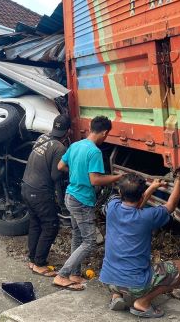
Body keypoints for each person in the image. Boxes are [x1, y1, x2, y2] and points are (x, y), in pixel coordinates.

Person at [99, 171, 180, 318]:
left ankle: (116, 296)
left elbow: (132, 206)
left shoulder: (112, 208)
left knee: (117, 261)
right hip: (135, 285)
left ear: (120, 192)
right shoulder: (148, 216)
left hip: (108, 279)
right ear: (141, 196)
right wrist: (179, 179)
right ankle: (143, 302)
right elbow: (170, 205)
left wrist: (152, 188)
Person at [52, 116, 121, 291]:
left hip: (70, 196)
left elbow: (61, 166)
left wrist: (76, 172)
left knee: (77, 236)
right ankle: (62, 275)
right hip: (82, 200)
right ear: (105, 133)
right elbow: (95, 180)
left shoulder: (75, 145)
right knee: (89, 241)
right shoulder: (94, 151)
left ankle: (74, 274)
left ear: (91, 128)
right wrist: (118, 177)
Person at [22, 114, 71, 277]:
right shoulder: (59, 148)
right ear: (68, 131)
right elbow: (55, 176)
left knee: (36, 222)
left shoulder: (42, 138)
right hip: (40, 191)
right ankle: (39, 263)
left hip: (26, 187)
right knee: (51, 225)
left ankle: (32, 259)